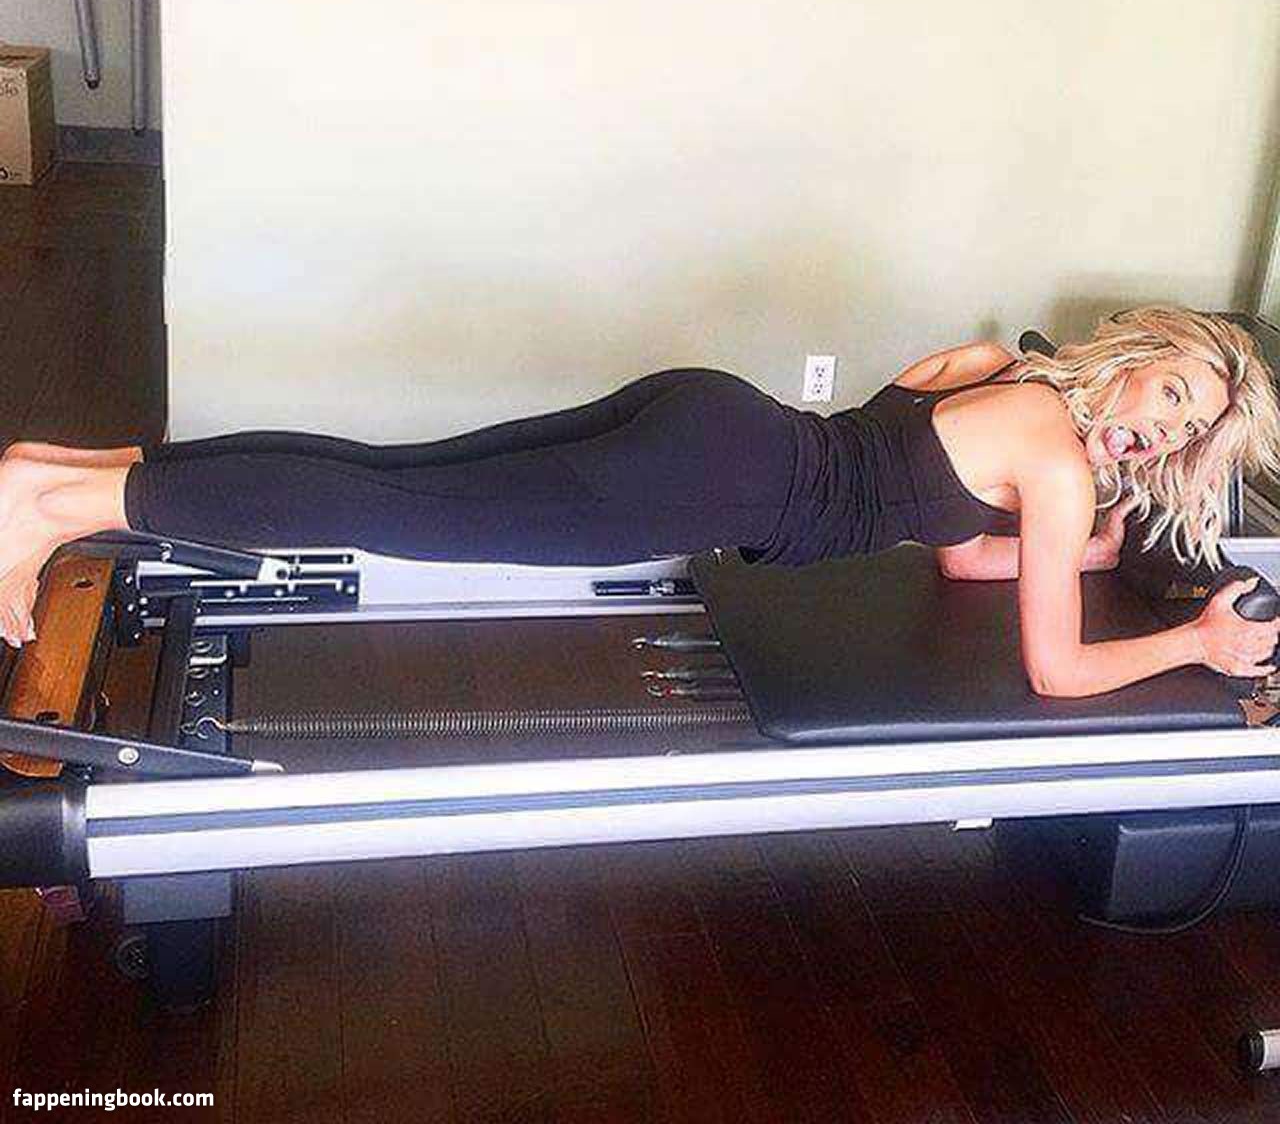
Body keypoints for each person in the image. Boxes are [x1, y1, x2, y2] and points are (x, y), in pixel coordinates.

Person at [1, 305, 1278, 698]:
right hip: (712, 480)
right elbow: (1055, 672)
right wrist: (1196, 641)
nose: (1158, 425)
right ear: (1142, 349)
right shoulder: (1057, 469)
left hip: (712, 413)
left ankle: (59, 468)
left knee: (390, 470)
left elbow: (935, 532)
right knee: (389, 511)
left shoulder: (1001, 368)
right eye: (1170, 391)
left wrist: (1073, 553)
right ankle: (62, 503)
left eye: (1183, 428)